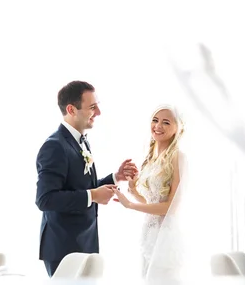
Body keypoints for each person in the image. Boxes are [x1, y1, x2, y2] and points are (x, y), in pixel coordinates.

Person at [35, 80, 138, 277]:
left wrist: (115, 178)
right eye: (92, 107)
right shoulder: (54, 146)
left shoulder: (81, 141)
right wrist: (92, 195)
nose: (98, 112)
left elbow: (79, 188)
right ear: (71, 109)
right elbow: (45, 199)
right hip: (64, 248)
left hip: (84, 243)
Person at [112, 104, 187, 279]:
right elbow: (152, 203)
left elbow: (169, 208)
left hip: (166, 236)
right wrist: (133, 190)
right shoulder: (152, 157)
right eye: (155, 120)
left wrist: (130, 205)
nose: (158, 126)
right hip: (149, 233)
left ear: (177, 128)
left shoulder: (178, 157)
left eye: (166, 122)